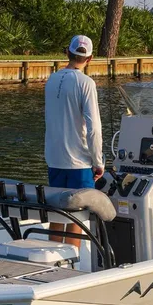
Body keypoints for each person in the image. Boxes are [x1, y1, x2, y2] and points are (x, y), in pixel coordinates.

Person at [44, 34, 104, 248]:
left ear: (66, 53)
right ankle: (73, 261)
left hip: (54, 161)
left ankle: (52, 262)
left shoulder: (51, 80)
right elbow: (94, 127)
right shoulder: (86, 83)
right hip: (79, 163)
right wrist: (98, 162)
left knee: (58, 215)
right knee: (77, 217)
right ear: (90, 59)